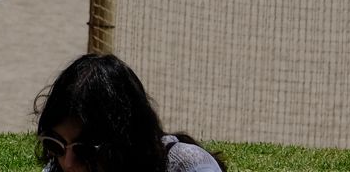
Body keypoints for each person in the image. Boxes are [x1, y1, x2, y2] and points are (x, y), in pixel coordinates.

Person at [34, 53, 223, 171]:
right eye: (55, 145)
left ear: (124, 142)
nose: (68, 163)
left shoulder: (187, 165)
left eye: (85, 151)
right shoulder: (56, 168)